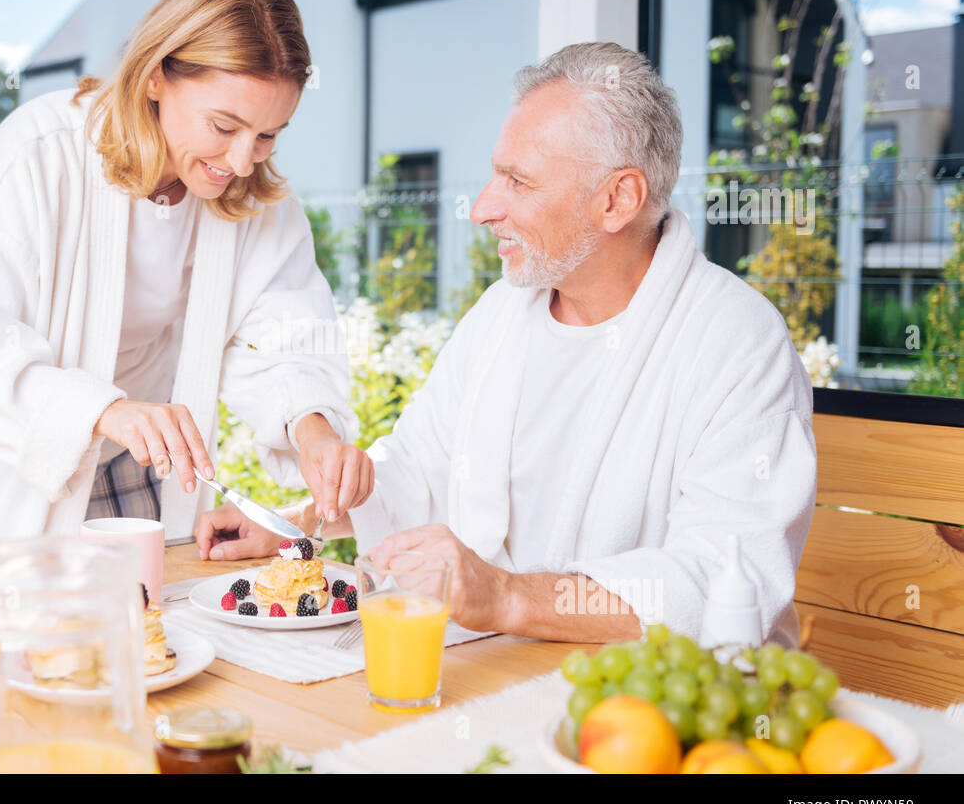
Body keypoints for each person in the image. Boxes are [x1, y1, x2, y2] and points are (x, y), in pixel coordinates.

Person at [197, 41, 816, 645]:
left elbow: (721, 578)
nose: (483, 208)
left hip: (644, 709)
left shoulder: (736, 342)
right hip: (497, 673)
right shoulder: (504, 312)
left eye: (517, 182)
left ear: (617, 199)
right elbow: (419, 468)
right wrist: (299, 526)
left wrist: (508, 598)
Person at [0, 0, 373, 552]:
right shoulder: (34, 160)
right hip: (17, 474)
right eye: (224, 125)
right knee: (14, 639)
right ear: (156, 77)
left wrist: (314, 432)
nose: (241, 160)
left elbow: (283, 337)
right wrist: (106, 411)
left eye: (268, 135)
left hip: (136, 464)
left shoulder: (254, 198)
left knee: (146, 631)